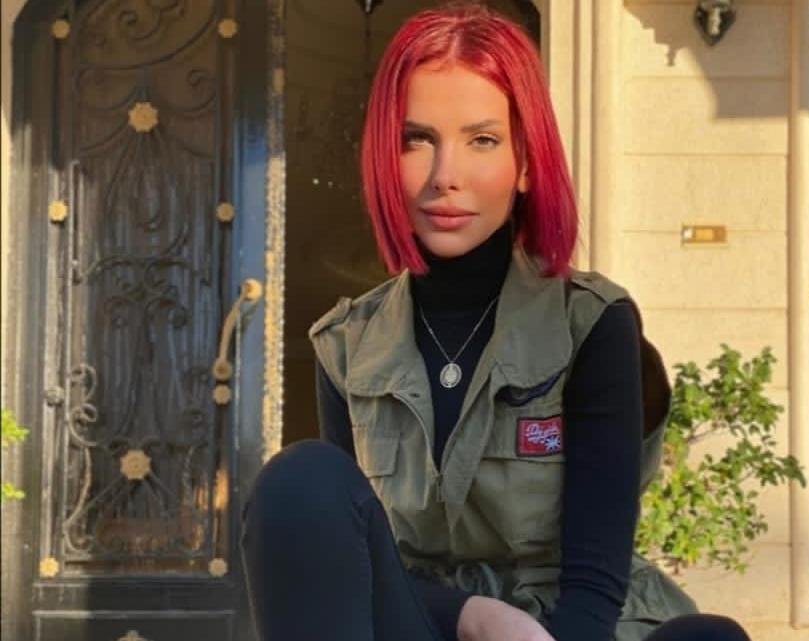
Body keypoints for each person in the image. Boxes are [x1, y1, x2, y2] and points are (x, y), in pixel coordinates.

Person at [241, 4, 752, 641]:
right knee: (300, 482)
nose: (445, 177)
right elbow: (357, 565)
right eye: (416, 140)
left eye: (482, 140)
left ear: (527, 163)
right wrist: (472, 615)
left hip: (562, 631)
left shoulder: (593, 324)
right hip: (421, 626)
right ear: (383, 159)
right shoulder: (346, 345)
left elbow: (593, 588)